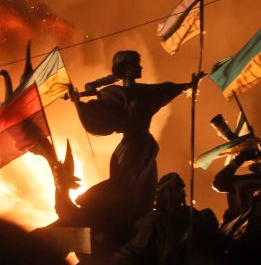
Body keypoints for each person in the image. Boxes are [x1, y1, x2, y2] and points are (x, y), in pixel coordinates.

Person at [66, 50, 204, 253]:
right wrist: (79, 102)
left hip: (145, 146)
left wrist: (190, 84)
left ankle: (136, 224)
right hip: (130, 146)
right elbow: (97, 113)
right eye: (135, 64)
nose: (140, 67)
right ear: (124, 68)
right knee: (122, 183)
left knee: (146, 190)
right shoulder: (113, 93)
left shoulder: (146, 92)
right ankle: (94, 204)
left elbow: (166, 89)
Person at [112, 172, 221, 265]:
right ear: (165, 194)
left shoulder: (191, 215)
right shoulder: (153, 221)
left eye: (181, 189)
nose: (182, 194)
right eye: (176, 190)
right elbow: (132, 252)